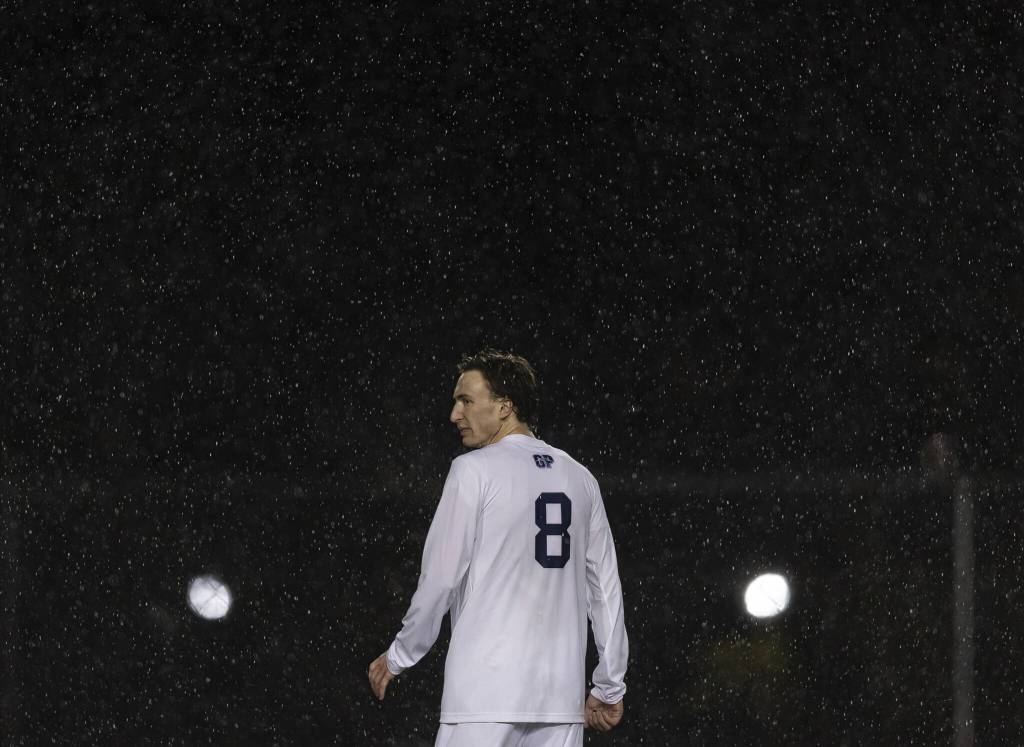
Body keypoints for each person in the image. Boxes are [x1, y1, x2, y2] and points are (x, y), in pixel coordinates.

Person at [368, 348, 628, 747]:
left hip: (484, 696)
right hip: (558, 700)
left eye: (466, 401)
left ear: (505, 407)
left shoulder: (472, 470)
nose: (455, 414)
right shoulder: (581, 479)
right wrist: (610, 684)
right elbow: (606, 592)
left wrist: (400, 655)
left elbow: (440, 579)